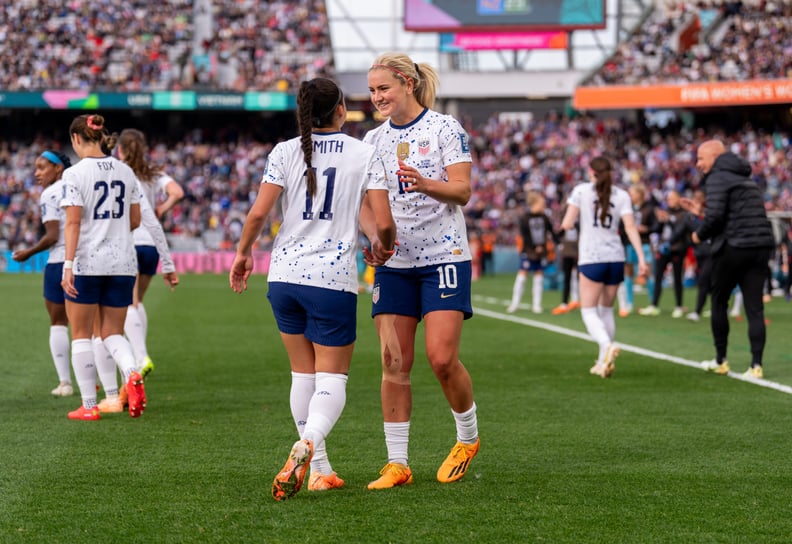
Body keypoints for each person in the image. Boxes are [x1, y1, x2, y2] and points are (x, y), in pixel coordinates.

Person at [229, 77, 396, 501]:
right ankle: (308, 444)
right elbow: (383, 221)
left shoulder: (284, 151)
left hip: (284, 276)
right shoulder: (364, 153)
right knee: (332, 377)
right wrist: (383, 245)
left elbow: (257, 215)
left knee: (301, 374)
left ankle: (320, 470)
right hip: (331, 280)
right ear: (341, 110)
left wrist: (243, 255)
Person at [360, 52, 480, 490]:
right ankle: (397, 463)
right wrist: (375, 238)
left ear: (408, 84)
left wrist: (425, 183)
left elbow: (463, 190)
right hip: (395, 263)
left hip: (444, 257)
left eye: (383, 89)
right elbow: (364, 204)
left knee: (442, 358)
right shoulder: (371, 140)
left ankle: (467, 439)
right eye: (372, 91)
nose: (377, 97)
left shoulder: (445, 128)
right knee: (394, 361)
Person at [60, 113, 147, 421]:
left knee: (81, 334)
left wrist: (67, 265)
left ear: (76, 139)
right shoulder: (126, 171)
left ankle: (88, 405)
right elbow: (135, 220)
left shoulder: (74, 174)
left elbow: (72, 222)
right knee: (111, 331)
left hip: (88, 262)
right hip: (123, 262)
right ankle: (131, 371)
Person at [681, 139, 775, 379]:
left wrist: (697, 235)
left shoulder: (718, 177)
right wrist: (699, 213)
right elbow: (730, 214)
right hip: (760, 246)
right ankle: (756, 366)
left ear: (714, 156)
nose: (698, 163)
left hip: (734, 247)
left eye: (701, 158)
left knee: (719, 301)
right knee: (755, 308)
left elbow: (715, 220)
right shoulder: (744, 178)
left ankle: (721, 360)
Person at [561, 156, 648, 378]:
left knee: (589, 311)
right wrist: (641, 259)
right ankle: (602, 362)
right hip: (616, 257)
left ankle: (606, 344)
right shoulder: (622, 195)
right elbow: (630, 228)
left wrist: (569, 222)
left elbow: (567, 223)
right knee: (607, 310)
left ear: (591, 172)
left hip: (592, 257)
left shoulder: (581, 191)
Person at [117, 128, 182, 376]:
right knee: (138, 301)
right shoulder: (154, 173)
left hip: (129, 240)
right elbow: (178, 192)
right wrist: (162, 208)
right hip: (152, 244)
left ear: (120, 149)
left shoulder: (119, 171)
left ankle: (140, 356)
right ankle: (139, 353)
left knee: (128, 302)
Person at [12, 150, 74, 396]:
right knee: (90, 326)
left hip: (60, 261)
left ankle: (65, 383)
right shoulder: (78, 185)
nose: (36, 173)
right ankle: (99, 381)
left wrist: (28, 252)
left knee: (58, 323)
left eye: (42, 167)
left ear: (58, 168)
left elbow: (52, 236)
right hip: (85, 262)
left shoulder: (50, 193)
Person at [639, 190, 690, 317]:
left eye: (672, 198)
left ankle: (678, 306)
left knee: (677, 278)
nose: (670, 201)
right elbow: (656, 229)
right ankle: (654, 305)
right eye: (668, 199)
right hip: (663, 249)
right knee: (658, 277)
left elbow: (679, 231)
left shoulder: (684, 214)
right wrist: (661, 221)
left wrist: (669, 221)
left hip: (677, 249)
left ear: (679, 199)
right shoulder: (665, 212)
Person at [506, 191, 555, 314]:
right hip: (528, 251)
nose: (543, 206)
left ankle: (536, 305)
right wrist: (534, 246)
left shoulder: (544, 217)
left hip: (541, 252)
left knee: (539, 278)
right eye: (541, 204)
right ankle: (515, 303)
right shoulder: (524, 218)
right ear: (534, 203)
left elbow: (551, 231)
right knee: (522, 277)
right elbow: (525, 235)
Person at [619, 183, 656, 316]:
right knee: (628, 273)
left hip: (644, 243)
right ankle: (629, 303)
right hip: (629, 244)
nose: (630, 196)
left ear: (639, 194)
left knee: (646, 272)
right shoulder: (626, 208)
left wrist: (647, 229)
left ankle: (653, 303)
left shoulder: (649, 208)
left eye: (632, 193)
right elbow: (622, 226)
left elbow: (656, 226)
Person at [684, 189, 712, 322]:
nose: (697, 202)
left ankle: (697, 311)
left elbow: (706, 230)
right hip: (700, 253)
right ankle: (718, 306)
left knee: (704, 281)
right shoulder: (690, 216)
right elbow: (692, 230)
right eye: (696, 199)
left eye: (700, 199)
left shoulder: (710, 214)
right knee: (710, 282)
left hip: (711, 253)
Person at [551, 212, 581, 315]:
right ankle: (565, 302)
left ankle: (578, 300)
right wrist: (560, 244)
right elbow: (556, 236)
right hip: (568, 254)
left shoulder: (579, 226)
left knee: (580, 278)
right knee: (567, 278)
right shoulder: (565, 227)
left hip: (578, 254)